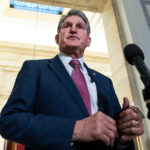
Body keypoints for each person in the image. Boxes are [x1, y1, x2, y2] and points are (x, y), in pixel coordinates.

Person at [0, 9, 144, 150]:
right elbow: (9, 122)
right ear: (57, 39)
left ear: (88, 41)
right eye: (67, 26)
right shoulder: (35, 69)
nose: (73, 30)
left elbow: (117, 140)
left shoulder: (105, 82)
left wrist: (124, 136)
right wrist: (76, 129)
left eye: (80, 26)